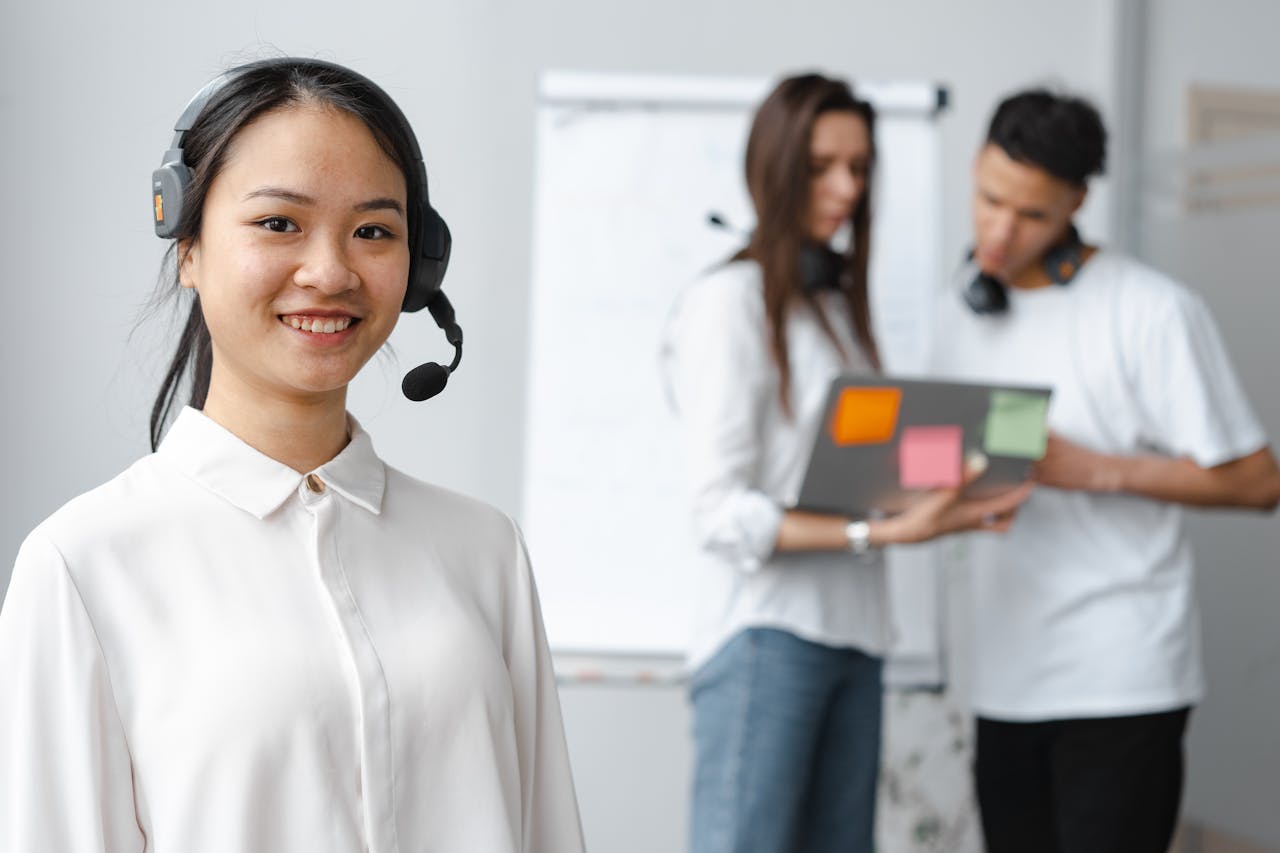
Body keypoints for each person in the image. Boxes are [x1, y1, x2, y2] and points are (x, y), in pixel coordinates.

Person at [0, 57, 584, 853]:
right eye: (279, 223)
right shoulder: (82, 564)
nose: (331, 271)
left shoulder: (484, 549)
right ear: (189, 246)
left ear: (420, 269)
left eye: (374, 230)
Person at [659, 72, 1032, 853]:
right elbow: (720, 512)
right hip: (768, 638)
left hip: (857, 637)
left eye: (860, 168)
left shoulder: (836, 310)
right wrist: (879, 534)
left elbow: (851, 472)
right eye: (824, 165)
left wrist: (956, 492)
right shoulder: (731, 303)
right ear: (774, 166)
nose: (846, 187)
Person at [929, 88, 1280, 853]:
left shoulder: (1150, 310)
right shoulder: (957, 313)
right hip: (1004, 677)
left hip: (1121, 676)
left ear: (1077, 204)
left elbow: (1260, 482)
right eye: (989, 199)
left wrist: (1096, 470)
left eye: (1031, 215)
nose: (998, 230)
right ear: (974, 168)